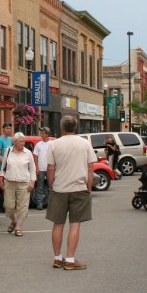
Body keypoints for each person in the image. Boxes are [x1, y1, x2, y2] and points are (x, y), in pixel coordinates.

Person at [44, 115, 96, 270]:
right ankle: (71, 260)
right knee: (75, 224)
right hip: (79, 188)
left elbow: (50, 168)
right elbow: (90, 167)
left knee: (58, 223)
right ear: (76, 128)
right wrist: (89, 186)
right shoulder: (85, 144)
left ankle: (57, 258)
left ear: (61, 128)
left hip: (60, 188)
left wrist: (52, 184)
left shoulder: (54, 145)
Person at [0, 132, 35, 236]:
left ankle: (18, 228)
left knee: (22, 207)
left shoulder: (28, 153)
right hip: (9, 182)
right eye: (20, 141)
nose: (23, 143)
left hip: (24, 182)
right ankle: (14, 221)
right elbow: (3, 167)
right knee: (8, 206)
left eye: (24, 141)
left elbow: (32, 169)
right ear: (14, 142)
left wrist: (32, 182)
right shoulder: (8, 151)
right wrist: (1, 178)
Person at [31, 127, 53, 209]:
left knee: (51, 186)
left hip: (50, 169)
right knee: (39, 186)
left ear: (47, 134)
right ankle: (39, 203)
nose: (41, 135)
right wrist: (37, 168)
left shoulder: (52, 144)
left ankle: (51, 203)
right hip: (41, 169)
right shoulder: (38, 144)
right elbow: (35, 157)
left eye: (43, 133)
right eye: (41, 133)